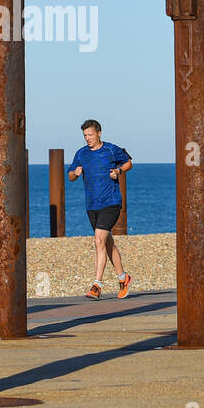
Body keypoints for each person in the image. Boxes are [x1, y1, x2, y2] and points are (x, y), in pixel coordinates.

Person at [68, 119, 133, 299]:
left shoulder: (111, 150)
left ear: (99, 133)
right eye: (85, 136)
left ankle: (96, 285)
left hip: (111, 202)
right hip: (92, 205)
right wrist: (76, 173)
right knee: (106, 243)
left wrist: (118, 171)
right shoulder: (81, 153)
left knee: (98, 240)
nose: (87, 138)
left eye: (90, 135)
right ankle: (123, 278)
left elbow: (128, 163)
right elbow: (70, 176)